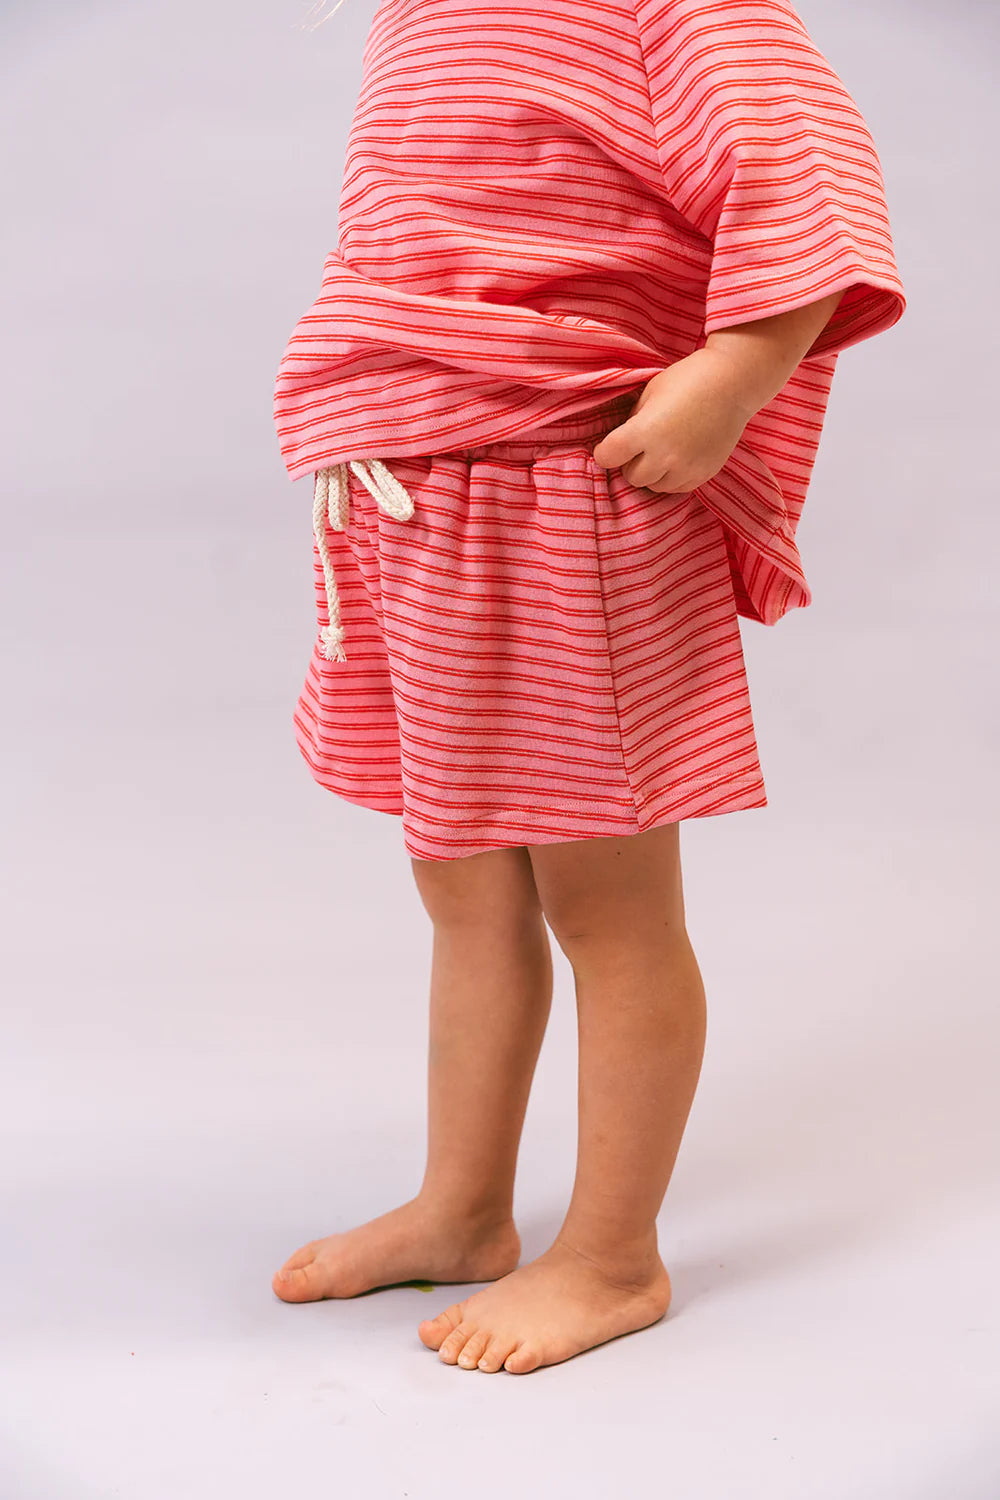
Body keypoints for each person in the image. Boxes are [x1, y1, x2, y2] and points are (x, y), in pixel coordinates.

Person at [269, 0, 906, 1374]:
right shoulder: (417, 13)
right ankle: (464, 1206)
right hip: (410, 485)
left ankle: (615, 1257)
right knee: (463, 878)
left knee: (605, 900)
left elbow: (811, 183)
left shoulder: (670, 6)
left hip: (567, 487)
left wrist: (735, 372)